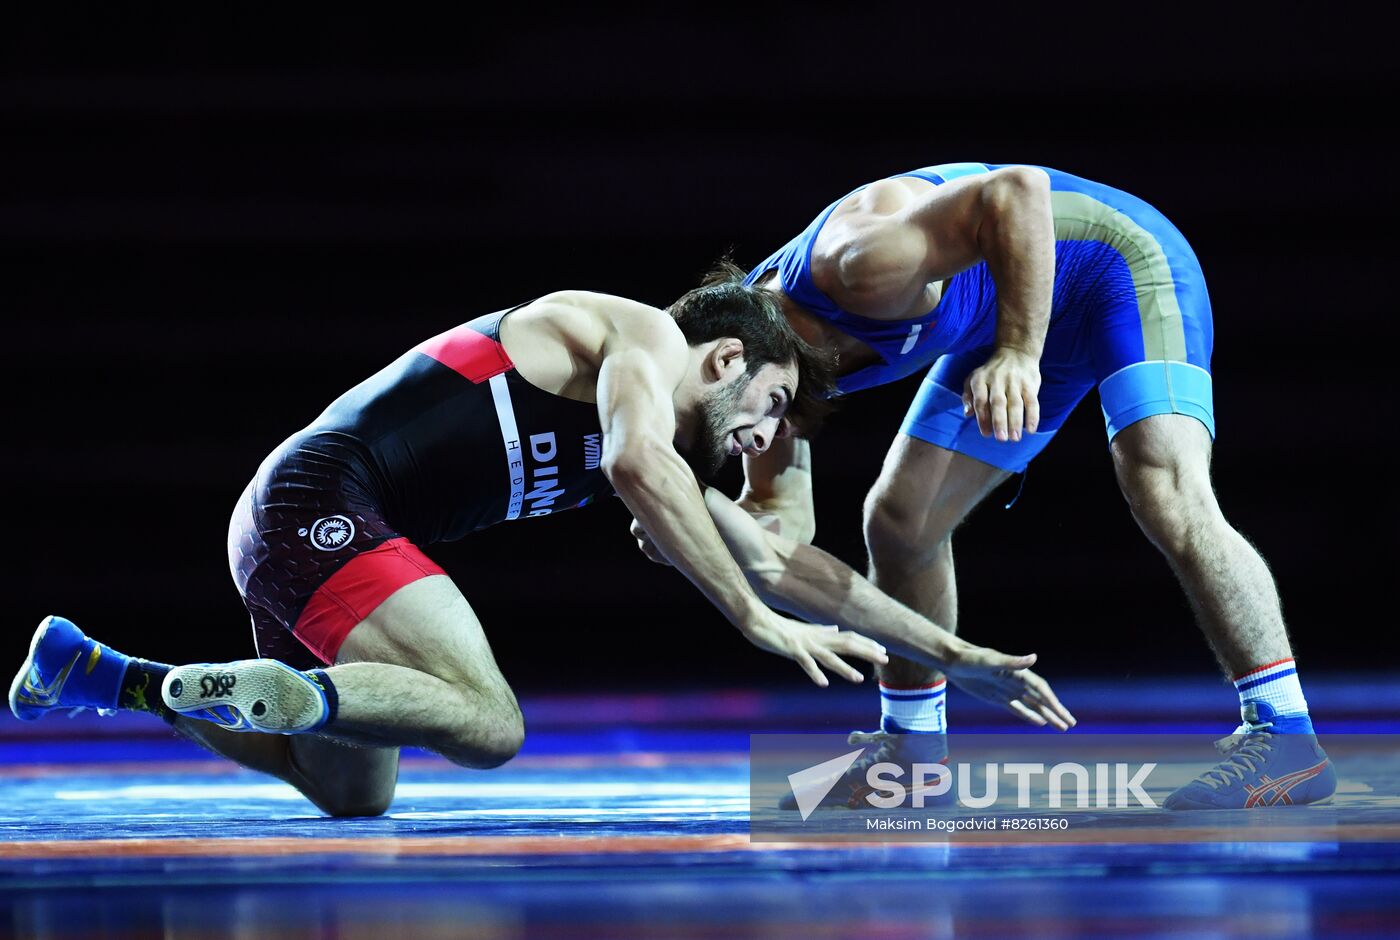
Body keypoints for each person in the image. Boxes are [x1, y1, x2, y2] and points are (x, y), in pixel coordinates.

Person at [12, 276, 1072, 817]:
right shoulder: (641, 343)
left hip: (292, 529)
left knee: (347, 791)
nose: (768, 438)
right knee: (491, 726)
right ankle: (296, 687)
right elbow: (633, 470)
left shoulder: (665, 436)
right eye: (773, 402)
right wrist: (750, 622)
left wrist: (954, 652)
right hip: (319, 502)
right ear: (722, 358)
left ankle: (101, 671)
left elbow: (793, 565)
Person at [718, 162, 1333, 810]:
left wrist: (1017, 351)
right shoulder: (762, 379)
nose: (753, 441)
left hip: (1118, 263)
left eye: (737, 427)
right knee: (899, 522)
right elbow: (781, 520)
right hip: (1018, 310)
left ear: (726, 358)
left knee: (1167, 491)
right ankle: (913, 756)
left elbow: (1016, 192)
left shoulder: (853, 263)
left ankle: (1288, 736)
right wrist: (718, 531)